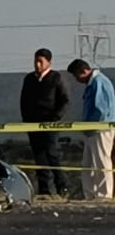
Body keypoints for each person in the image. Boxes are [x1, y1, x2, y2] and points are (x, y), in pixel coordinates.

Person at [19, 47, 70, 197]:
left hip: (50, 123)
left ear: (49, 62)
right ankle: (44, 189)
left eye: (41, 61)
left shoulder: (56, 78)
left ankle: (61, 187)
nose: (37, 65)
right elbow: (24, 101)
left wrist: (55, 117)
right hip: (33, 124)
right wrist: (26, 120)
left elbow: (65, 100)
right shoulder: (29, 79)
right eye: (36, 61)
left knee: (52, 154)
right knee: (39, 156)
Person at [68, 58, 115, 200]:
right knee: (88, 164)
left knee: (102, 162)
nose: (76, 79)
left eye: (76, 75)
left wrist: (93, 124)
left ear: (83, 71)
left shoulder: (99, 82)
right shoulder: (93, 83)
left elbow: (101, 110)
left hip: (100, 129)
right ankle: (90, 194)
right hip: (91, 130)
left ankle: (104, 195)